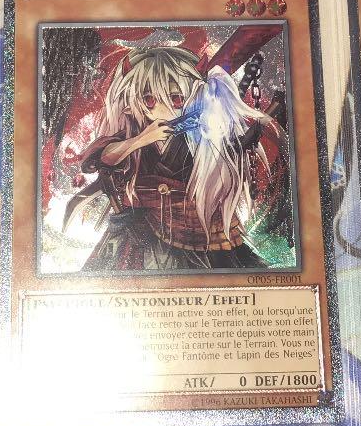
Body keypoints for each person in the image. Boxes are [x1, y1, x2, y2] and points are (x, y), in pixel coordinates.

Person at [73, 42, 282, 271]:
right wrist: (141, 139)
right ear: (132, 105)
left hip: (200, 236)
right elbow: (99, 160)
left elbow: (234, 149)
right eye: (149, 99)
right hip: (142, 235)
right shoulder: (132, 135)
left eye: (175, 98)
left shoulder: (203, 135)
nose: (164, 108)